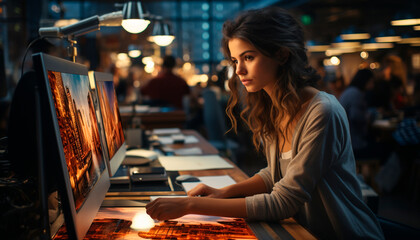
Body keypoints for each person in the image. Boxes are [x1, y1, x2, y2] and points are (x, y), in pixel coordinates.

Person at [146, 7, 384, 239]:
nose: (239, 70)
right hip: (306, 231)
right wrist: (223, 192)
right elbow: (277, 175)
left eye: (248, 57)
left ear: (281, 54)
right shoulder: (274, 106)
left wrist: (190, 205)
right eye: (234, 60)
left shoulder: (322, 111)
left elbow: (283, 202)